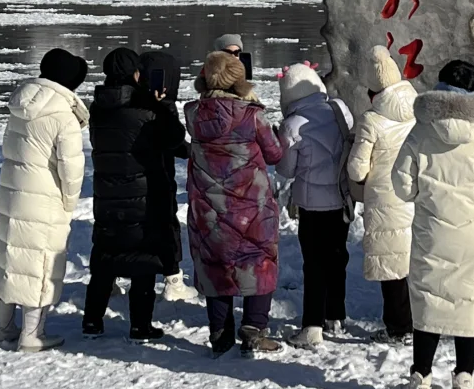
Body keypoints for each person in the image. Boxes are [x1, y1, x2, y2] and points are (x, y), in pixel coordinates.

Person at [391, 59, 474, 389]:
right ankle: (464, 377)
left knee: (428, 299)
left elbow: (402, 184)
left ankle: (420, 376)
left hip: (432, 229)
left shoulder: (421, 130)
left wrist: (426, 195)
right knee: (470, 300)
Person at [0, 48, 89, 352]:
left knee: (10, 260)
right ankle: (32, 334)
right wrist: (70, 203)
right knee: (40, 264)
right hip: (45, 199)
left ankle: (1, 328)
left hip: (13, 195)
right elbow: (71, 169)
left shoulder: (20, 104)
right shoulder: (62, 115)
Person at [82, 48, 186, 342]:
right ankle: (140, 326)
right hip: (142, 195)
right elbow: (174, 138)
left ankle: (92, 321)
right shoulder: (145, 111)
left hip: (107, 193)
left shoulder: (98, 109)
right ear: (136, 74)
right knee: (143, 259)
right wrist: (163, 107)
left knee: (105, 256)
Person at [185, 50, 284, 356]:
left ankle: (220, 333)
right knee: (259, 262)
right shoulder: (252, 116)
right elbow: (275, 155)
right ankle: (254, 329)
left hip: (208, 206)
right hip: (251, 208)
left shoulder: (193, 114)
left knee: (213, 264)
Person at [276, 63, 354, 348]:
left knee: (315, 263)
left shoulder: (292, 125)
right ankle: (336, 314)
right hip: (341, 197)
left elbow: (286, 170)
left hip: (312, 204)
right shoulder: (339, 110)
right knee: (338, 257)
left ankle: (312, 325)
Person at [346, 46, 417, 343]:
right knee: (414, 259)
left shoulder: (372, 120)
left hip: (385, 197)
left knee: (391, 262)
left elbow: (357, 168)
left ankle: (399, 327)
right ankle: (420, 321)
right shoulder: (418, 110)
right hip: (415, 192)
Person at [137, 49, 197, 303]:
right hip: (158, 180)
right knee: (165, 225)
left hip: (129, 181)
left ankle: (118, 275)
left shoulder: (129, 102)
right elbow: (175, 141)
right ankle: (172, 278)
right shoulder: (163, 108)